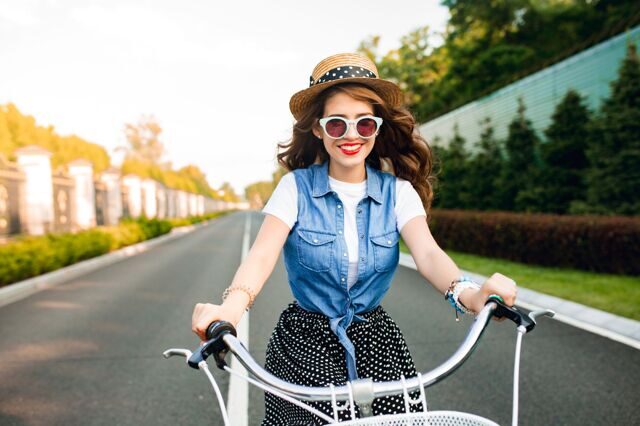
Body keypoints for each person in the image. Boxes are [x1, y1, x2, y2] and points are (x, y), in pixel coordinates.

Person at [192, 52, 517, 424]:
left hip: (377, 342)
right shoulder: (294, 189)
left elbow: (427, 253)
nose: (351, 135)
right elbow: (261, 257)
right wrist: (228, 313)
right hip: (304, 342)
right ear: (317, 129)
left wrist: (470, 295)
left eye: (364, 124)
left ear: (377, 128)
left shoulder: (399, 193)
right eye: (336, 124)